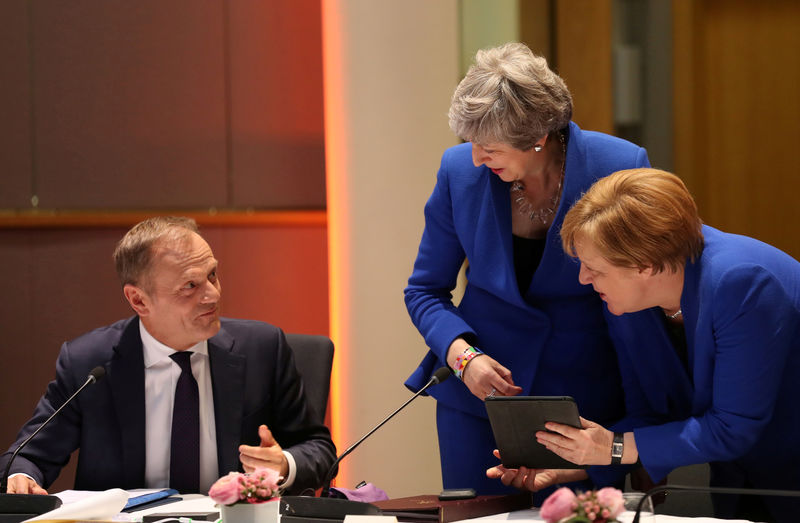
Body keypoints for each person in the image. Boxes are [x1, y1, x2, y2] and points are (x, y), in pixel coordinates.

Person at [404, 42, 650, 496]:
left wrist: (640, 417)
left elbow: (641, 299)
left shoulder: (618, 166)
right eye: (470, 143)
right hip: (478, 403)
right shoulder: (459, 171)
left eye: (488, 147)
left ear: (538, 136)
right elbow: (424, 290)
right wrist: (463, 358)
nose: (476, 158)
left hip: (583, 405)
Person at [490, 168, 800, 521]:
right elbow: (652, 411)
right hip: (740, 483)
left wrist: (613, 448)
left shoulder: (742, 283)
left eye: (595, 268)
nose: (583, 278)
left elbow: (733, 427)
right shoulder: (630, 300)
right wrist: (577, 462)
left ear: (645, 265)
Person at [0, 216, 336, 495]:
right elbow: (27, 455)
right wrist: (23, 478)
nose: (212, 295)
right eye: (190, 286)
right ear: (139, 301)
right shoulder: (89, 363)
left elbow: (318, 449)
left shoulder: (263, 348)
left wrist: (285, 465)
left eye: (213, 275)